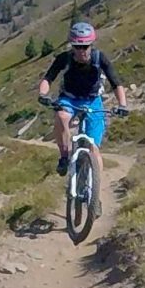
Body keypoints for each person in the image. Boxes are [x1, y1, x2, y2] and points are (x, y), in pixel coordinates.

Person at [36, 20, 127, 175]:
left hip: (93, 100)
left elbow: (116, 83)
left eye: (85, 46)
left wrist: (122, 105)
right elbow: (48, 78)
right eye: (77, 47)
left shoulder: (100, 58)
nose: (81, 51)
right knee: (62, 116)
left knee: (94, 148)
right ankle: (64, 156)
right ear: (72, 46)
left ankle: (95, 190)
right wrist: (42, 94)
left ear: (91, 45)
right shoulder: (64, 58)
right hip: (69, 98)